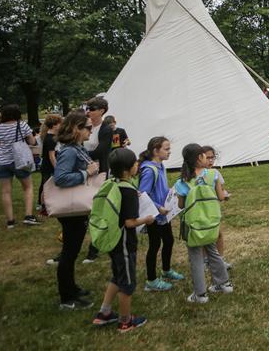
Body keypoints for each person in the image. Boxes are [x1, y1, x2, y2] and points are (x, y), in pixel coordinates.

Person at [91, 147, 156, 331]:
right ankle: (125, 321)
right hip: (124, 242)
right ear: (128, 169)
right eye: (135, 162)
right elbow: (129, 222)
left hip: (113, 239)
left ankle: (104, 313)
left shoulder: (114, 183)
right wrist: (147, 219)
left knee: (117, 277)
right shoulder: (128, 191)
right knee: (127, 284)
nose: (138, 165)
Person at [53, 110, 100, 309]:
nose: (91, 131)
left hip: (78, 208)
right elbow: (61, 178)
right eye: (88, 128)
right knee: (69, 252)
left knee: (73, 251)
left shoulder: (77, 147)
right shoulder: (70, 151)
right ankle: (67, 297)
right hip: (70, 210)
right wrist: (85, 173)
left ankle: (72, 287)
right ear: (76, 129)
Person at [174, 143, 232, 303]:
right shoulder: (212, 174)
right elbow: (221, 197)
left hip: (194, 225)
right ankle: (224, 284)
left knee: (196, 257)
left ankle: (200, 294)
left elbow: (180, 205)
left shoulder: (182, 181)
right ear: (200, 157)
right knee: (213, 251)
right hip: (212, 222)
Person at [138, 136, 184, 292]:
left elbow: (159, 188)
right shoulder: (149, 170)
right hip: (154, 216)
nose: (169, 152)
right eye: (166, 149)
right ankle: (151, 280)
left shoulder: (160, 166)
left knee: (169, 240)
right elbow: (143, 193)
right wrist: (158, 207)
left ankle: (166, 270)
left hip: (164, 214)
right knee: (155, 245)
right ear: (155, 151)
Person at [0, 104, 40, 228]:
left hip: (2, 161)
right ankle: (28, 216)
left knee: (6, 192)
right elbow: (32, 142)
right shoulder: (22, 125)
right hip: (20, 161)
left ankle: (10, 221)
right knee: (28, 187)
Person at [83, 96, 113, 263]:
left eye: (92, 108)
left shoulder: (106, 129)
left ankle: (93, 249)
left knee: (96, 209)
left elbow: (102, 151)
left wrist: (80, 155)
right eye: (87, 108)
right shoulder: (84, 125)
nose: (89, 111)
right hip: (83, 171)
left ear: (101, 110)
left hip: (98, 172)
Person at [201, 145, 230, 268]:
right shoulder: (196, 174)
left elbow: (221, 191)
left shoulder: (216, 173)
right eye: (208, 158)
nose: (211, 161)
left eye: (212, 158)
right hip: (201, 211)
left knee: (217, 234)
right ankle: (204, 260)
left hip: (213, 211)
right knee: (203, 237)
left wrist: (225, 194)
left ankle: (220, 260)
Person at [38, 113, 64, 215]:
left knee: (46, 185)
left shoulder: (51, 136)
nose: (61, 126)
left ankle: (43, 203)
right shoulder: (51, 138)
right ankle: (42, 205)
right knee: (46, 185)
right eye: (60, 124)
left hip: (48, 165)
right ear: (54, 125)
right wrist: (57, 168)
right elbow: (51, 156)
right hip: (48, 166)